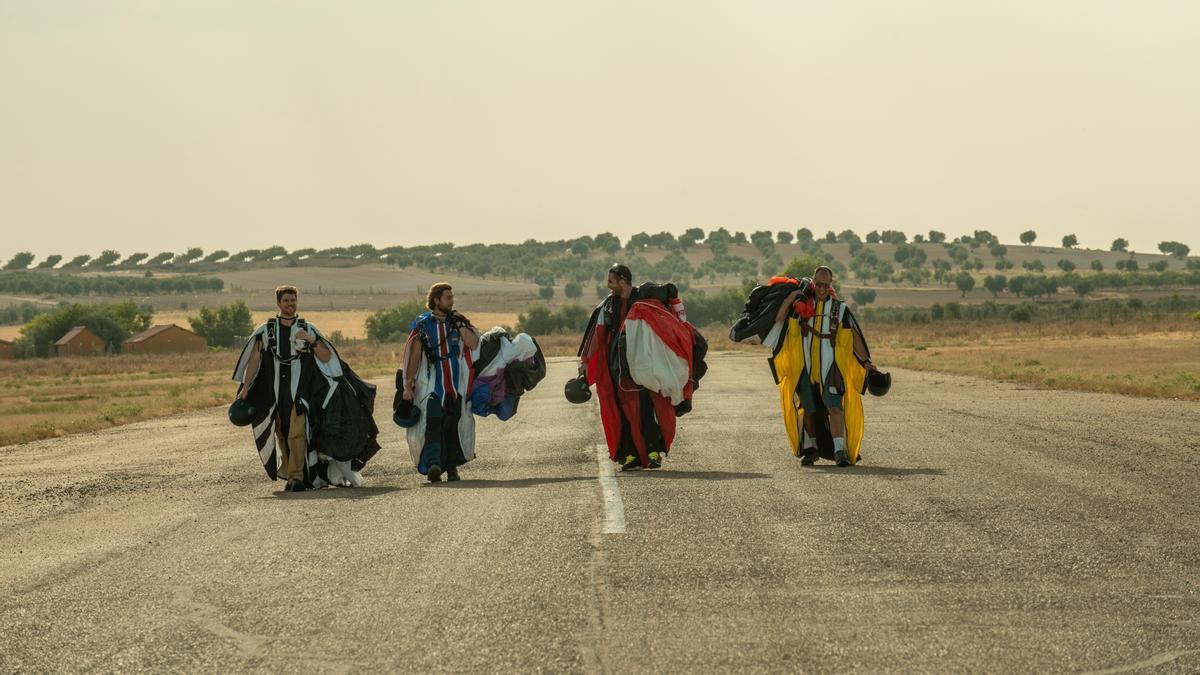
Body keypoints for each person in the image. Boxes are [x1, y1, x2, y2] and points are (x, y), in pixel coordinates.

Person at [232, 285, 379, 491]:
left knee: (297, 432)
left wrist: (310, 340)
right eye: (286, 301)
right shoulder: (266, 330)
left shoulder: (308, 328)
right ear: (278, 303)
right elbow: (254, 360)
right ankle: (291, 472)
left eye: (293, 300)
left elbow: (326, 357)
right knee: (282, 434)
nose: (290, 304)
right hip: (274, 393)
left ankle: (296, 478)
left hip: (301, 392)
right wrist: (246, 388)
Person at [577, 263, 703, 470]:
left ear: (622, 281)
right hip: (619, 369)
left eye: (611, 281)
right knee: (622, 412)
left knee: (648, 408)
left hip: (644, 366)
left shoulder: (645, 300)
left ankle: (653, 452)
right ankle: (630, 456)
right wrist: (585, 362)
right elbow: (597, 337)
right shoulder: (608, 306)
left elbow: (668, 323)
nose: (608, 286)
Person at [770, 266, 877, 466]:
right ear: (813, 282)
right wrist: (792, 296)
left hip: (831, 368)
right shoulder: (801, 307)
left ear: (830, 285)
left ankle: (839, 452)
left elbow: (854, 336)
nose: (821, 289)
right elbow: (779, 318)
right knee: (808, 409)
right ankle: (811, 449)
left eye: (826, 285)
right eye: (818, 284)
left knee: (835, 407)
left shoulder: (839, 309)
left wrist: (866, 362)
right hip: (805, 368)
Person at [402, 283, 480, 482]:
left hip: (456, 383)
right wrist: (408, 383)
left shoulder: (458, 321)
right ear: (436, 300)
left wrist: (460, 325)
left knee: (453, 424)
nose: (451, 301)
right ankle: (434, 465)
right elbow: (415, 356)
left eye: (452, 297)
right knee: (434, 423)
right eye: (447, 297)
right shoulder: (423, 325)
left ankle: (452, 468)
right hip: (431, 384)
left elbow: (472, 343)